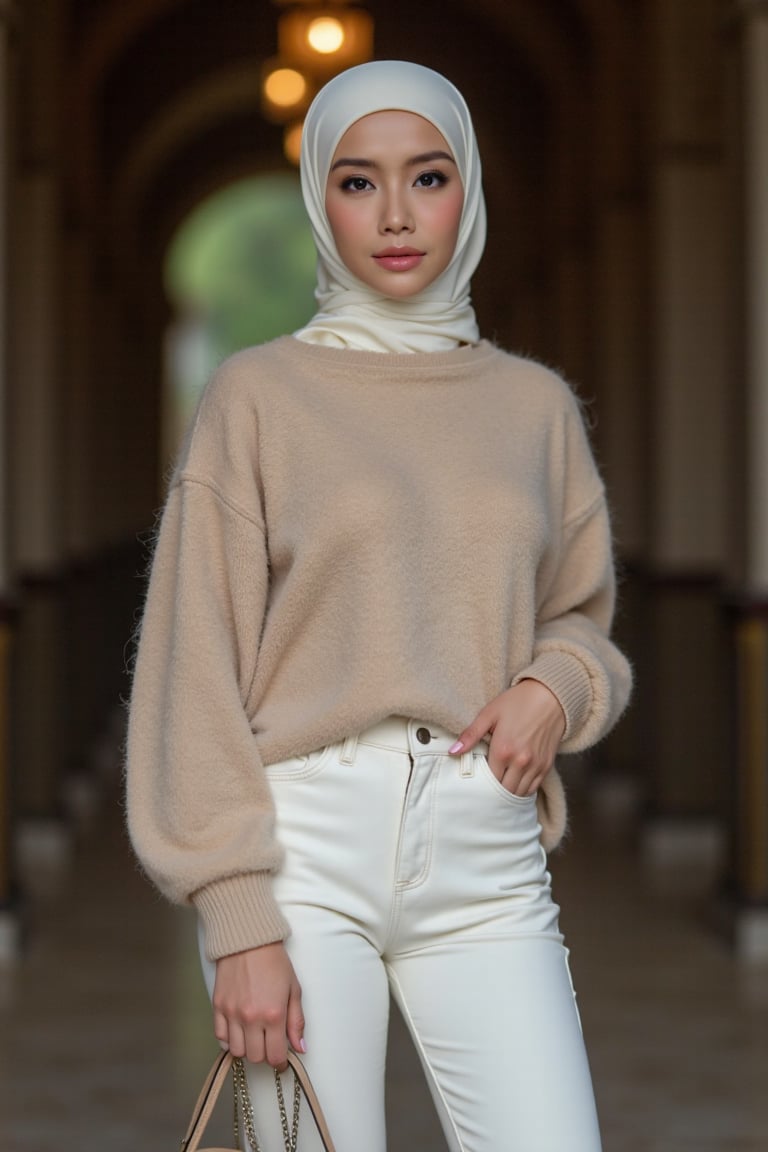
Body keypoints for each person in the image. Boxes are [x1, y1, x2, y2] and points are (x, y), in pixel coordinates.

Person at [126, 59, 632, 1152]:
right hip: (301, 845)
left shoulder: (532, 406)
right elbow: (193, 661)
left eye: (429, 176)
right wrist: (239, 914)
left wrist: (558, 685)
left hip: (485, 846)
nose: (397, 216)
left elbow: (584, 616)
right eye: (358, 182)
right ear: (319, 197)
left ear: (471, 190)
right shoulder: (258, 398)